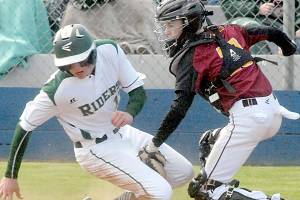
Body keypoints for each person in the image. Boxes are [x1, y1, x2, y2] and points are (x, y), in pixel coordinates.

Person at [0, 24, 194, 200]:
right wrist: (10, 176)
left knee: (182, 173)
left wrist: (130, 113)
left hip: (124, 134)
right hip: (95, 150)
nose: (76, 68)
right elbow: (24, 126)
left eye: (81, 60)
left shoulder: (109, 51)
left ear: (92, 53)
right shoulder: (57, 90)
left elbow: (137, 92)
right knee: (160, 191)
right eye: (69, 64)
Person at [138, 0, 299, 199]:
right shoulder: (229, 30)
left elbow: (179, 108)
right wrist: (289, 48)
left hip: (249, 119)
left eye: (171, 25)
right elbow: (271, 32)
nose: (167, 31)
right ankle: (225, 188)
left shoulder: (191, 56)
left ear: (189, 22)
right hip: (272, 113)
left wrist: (154, 144)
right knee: (209, 142)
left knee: (204, 191)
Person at [221, 0, 300, 54]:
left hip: (279, 24)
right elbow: (228, 5)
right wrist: (257, 8)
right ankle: (265, 66)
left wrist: (286, 7)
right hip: (245, 20)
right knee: (255, 30)